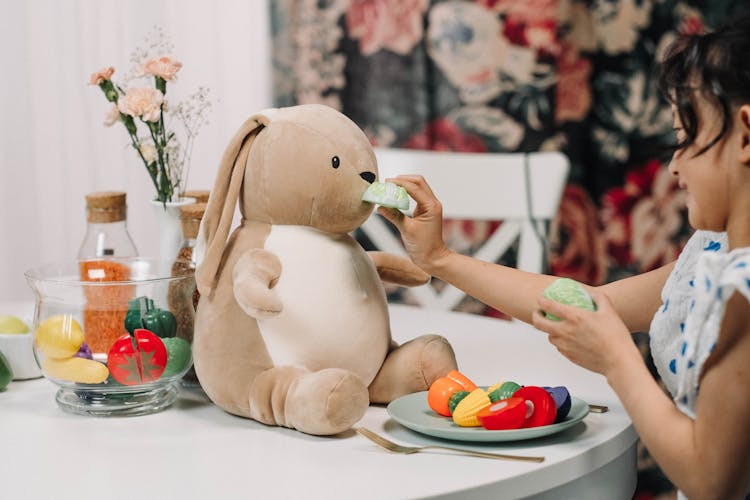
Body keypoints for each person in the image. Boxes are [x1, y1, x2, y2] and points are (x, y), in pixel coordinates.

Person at [378, 12, 750, 499]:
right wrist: (439, 258)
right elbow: (588, 301)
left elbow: (710, 480)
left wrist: (617, 358)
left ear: (744, 135)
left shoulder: (742, 290)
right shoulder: (714, 252)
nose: (675, 166)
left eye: (685, 140)